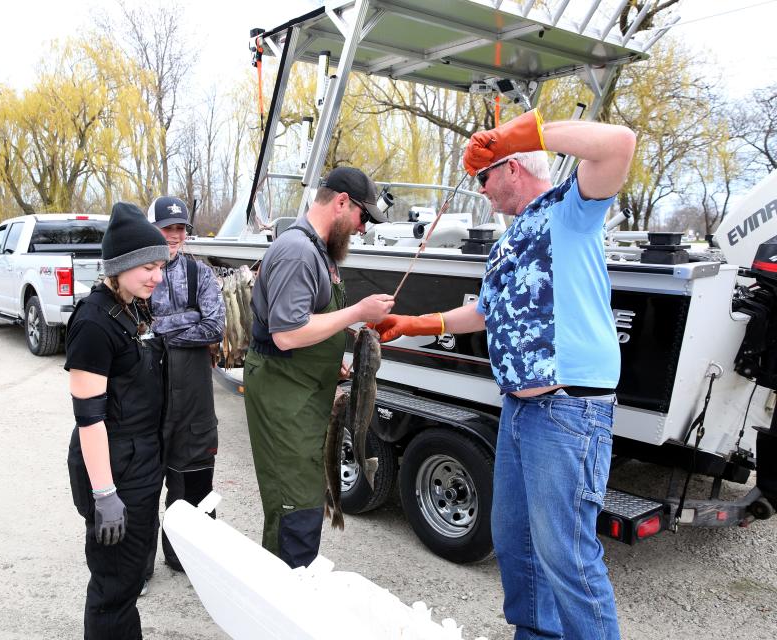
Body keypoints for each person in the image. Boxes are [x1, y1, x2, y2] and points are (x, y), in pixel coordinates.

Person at [374, 111, 635, 639]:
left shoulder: (571, 210)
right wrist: (417, 323)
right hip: (518, 409)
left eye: (484, 177)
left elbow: (619, 144)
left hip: (567, 410)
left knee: (567, 555)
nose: (482, 191)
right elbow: (487, 312)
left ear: (512, 168)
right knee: (515, 542)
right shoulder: (508, 241)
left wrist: (514, 133)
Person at [245, 166, 396, 568]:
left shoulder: (318, 250)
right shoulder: (298, 251)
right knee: (293, 512)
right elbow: (288, 334)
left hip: (305, 396)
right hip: (284, 400)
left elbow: (309, 325)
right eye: (364, 217)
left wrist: (333, 361)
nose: (364, 229)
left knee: (307, 500)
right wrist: (356, 313)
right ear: (342, 202)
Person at [64, 201, 170, 639]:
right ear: (120, 265)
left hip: (143, 461)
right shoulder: (93, 323)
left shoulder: (132, 305)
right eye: (146, 266)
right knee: (113, 586)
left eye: (159, 265)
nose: (156, 276)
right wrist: (105, 494)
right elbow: (89, 420)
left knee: (127, 582)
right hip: (114, 469)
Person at [143, 195, 225, 583]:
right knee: (140, 488)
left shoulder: (202, 274)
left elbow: (214, 327)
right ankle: (137, 568)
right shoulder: (138, 273)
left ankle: (189, 558)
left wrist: (162, 326)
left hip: (194, 401)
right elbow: (135, 330)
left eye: (180, 229)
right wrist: (186, 318)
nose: (174, 235)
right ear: (152, 232)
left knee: (195, 484)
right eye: (166, 228)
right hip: (149, 397)